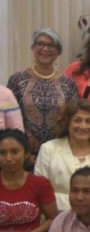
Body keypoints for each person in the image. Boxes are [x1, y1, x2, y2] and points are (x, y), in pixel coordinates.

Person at [34, 99, 90, 211]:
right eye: (77, 120)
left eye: (89, 121)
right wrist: (85, 205)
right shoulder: (48, 149)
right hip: (58, 218)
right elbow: (41, 191)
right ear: (67, 123)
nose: (83, 126)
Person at [8, 27, 79, 158]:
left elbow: (73, 117)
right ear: (33, 47)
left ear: (58, 51)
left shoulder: (69, 84)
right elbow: (11, 116)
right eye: (40, 43)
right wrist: (25, 137)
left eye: (51, 45)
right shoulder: (17, 79)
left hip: (59, 151)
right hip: (24, 151)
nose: (45, 49)